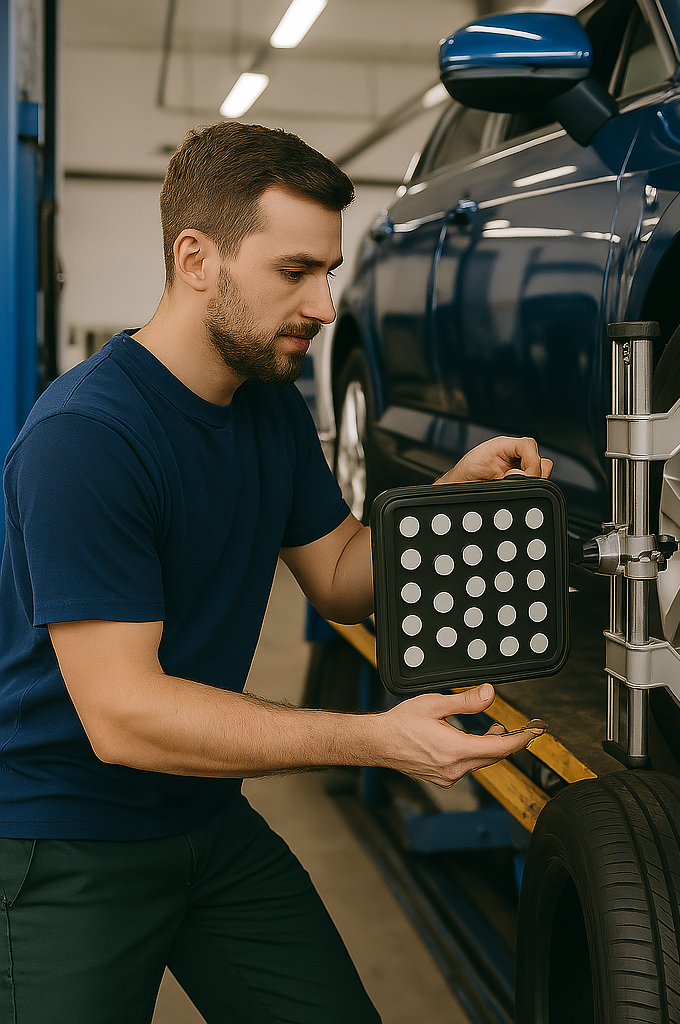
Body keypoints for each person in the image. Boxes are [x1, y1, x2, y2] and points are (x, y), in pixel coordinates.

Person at [0, 121, 551, 1024]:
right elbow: (125, 719)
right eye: (295, 271)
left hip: (205, 822)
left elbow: (337, 573)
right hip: (67, 842)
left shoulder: (271, 411)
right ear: (196, 259)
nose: (325, 305)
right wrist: (375, 738)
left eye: (327, 272)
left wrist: (446, 503)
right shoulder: (87, 441)